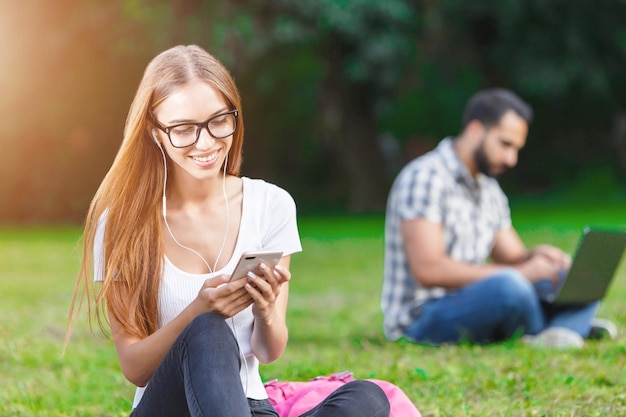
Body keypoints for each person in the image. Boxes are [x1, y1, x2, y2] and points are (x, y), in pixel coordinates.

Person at [67, 45, 390, 417]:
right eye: (184, 129)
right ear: (155, 133)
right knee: (207, 330)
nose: (206, 143)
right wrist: (197, 311)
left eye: (219, 121)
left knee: (366, 398)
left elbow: (269, 351)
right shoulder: (122, 222)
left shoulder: (271, 205)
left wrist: (268, 311)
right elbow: (135, 368)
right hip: (169, 408)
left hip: (248, 406)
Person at [381, 88, 616, 348]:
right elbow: (429, 269)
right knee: (510, 286)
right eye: (505, 144)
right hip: (423, 318)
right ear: (475, 130)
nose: (511, 159)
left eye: (516, 149)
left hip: (478, 301)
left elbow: (513, 256)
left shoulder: (488, 188)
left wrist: (541, 258)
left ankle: (561, 331)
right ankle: (565, 327)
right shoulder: (425, 177)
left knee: (574, 275)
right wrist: (522, 272)